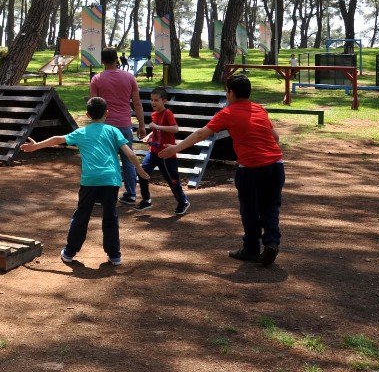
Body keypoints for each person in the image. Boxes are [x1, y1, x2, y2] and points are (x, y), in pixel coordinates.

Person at [160, 74, 284, 266]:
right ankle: (272, 243)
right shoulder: (260, 109)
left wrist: (175, 149)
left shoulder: (228, 112)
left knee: (250, 210)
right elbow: (275, 138)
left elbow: (202, 133)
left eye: (227, 91)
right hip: (276, 166)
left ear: (231, 93)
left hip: (251, 169)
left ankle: (251, 249)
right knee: (271, 207)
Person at [21, 97, 148, 266]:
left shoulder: (81, 133)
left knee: (82, 215)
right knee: (110, 216)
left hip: (90, 181)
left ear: (88, 115)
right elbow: (130, 153)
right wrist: (139, 170)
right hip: (111, 180)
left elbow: (56, 139)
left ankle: (69, 252)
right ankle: (115, 255)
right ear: (107, 113)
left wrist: (34, 146)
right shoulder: (113, 131)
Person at [89, 47, 146, 205]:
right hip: (124, 125)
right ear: (117, 60)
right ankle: (131, 194)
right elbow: (137, 104)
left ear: (102, 61)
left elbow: (93, 105)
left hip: (104, 126)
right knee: (128, 159)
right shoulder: (129, 77)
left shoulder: (97, 79)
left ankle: (104, 195)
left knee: (104, 160)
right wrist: (142, 125)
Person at [138, 87, 189, 215]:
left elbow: (175, 129)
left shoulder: (167, 113)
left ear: (164, 101)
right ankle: (146, 200)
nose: (153, 103)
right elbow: (156, 130)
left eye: (156, 100)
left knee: (172, 180)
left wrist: (157, 126)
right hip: (154, 151)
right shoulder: (154, 114)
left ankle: (183, 202)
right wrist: (149, 135)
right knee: (142, 172)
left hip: (167, 153)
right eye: (151, 100)